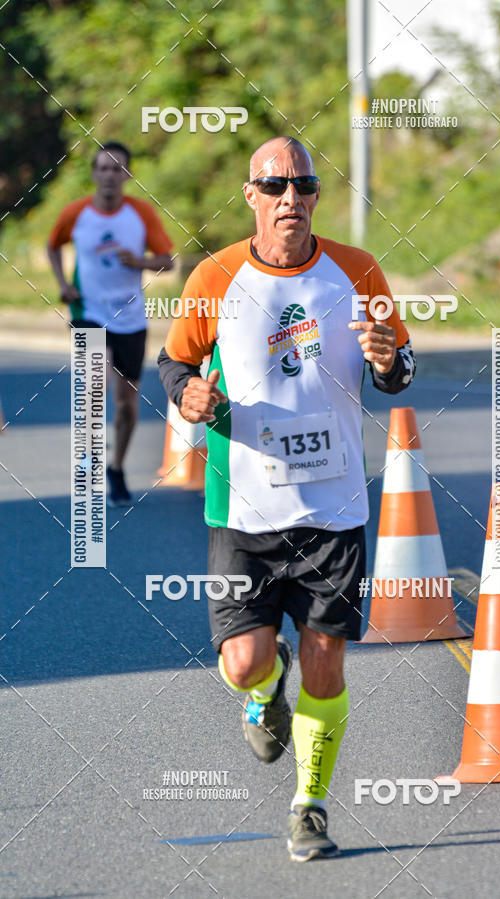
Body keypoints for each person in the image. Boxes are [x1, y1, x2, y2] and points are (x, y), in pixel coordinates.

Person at [158, 136, 416, 861]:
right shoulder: (214, 276)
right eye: (275, 187)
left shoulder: (357, 270)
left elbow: (398, 366)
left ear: (315, 195)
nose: (290, 199)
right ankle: (265, 691)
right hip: (243, 506)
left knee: (327, 657)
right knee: (244, 659)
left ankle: (310, 804)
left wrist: (392, 361)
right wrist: (190, 394)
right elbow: (174, 360)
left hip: (333, 507)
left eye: (303, 185)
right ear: (252, 196)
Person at [48, 141, 174, 506]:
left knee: (126, 403)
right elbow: (53, 245)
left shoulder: (140, 214)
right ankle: (88, 462)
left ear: (127, 175)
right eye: (103, 168)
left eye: (117, 169)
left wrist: (140, 262)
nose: (109, 175)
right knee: (95, 381)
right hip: (88, 313)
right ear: (93, 174)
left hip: (130, 318)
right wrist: (63, 284)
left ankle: (116, 468)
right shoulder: (76, 213)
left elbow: (169, 260)